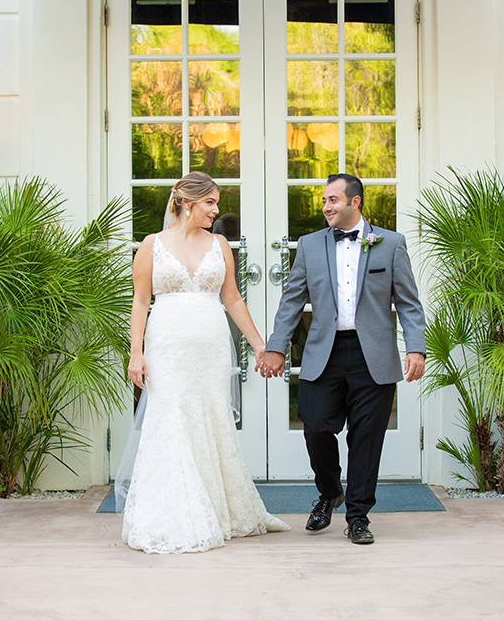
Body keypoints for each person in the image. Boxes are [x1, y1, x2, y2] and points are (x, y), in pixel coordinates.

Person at [120, 171, 289, 554]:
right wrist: (136, 352)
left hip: (211, 346)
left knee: (210, 418)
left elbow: (232, 299)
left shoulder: (220, 245)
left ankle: (218, 508)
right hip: (167, 347)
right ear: (185, 202)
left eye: (216, 202)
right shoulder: (151, 245)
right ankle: (174, 512)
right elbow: (140, 301)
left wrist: (258, 344)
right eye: (209, 202)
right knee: (173, 419)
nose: (216, 210)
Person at [257, 173, 426, 545]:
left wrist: (416, 347)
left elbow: (409, 304)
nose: (326, 207)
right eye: (324, 201)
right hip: (324, 352)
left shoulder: (391, 244)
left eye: (333, 200)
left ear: (355, 202)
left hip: (373, 355)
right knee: (316, 425)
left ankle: (358, 516)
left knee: (366, 438)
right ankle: (330, 490)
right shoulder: (309, 245)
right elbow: (291, 301)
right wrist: (276, 346)